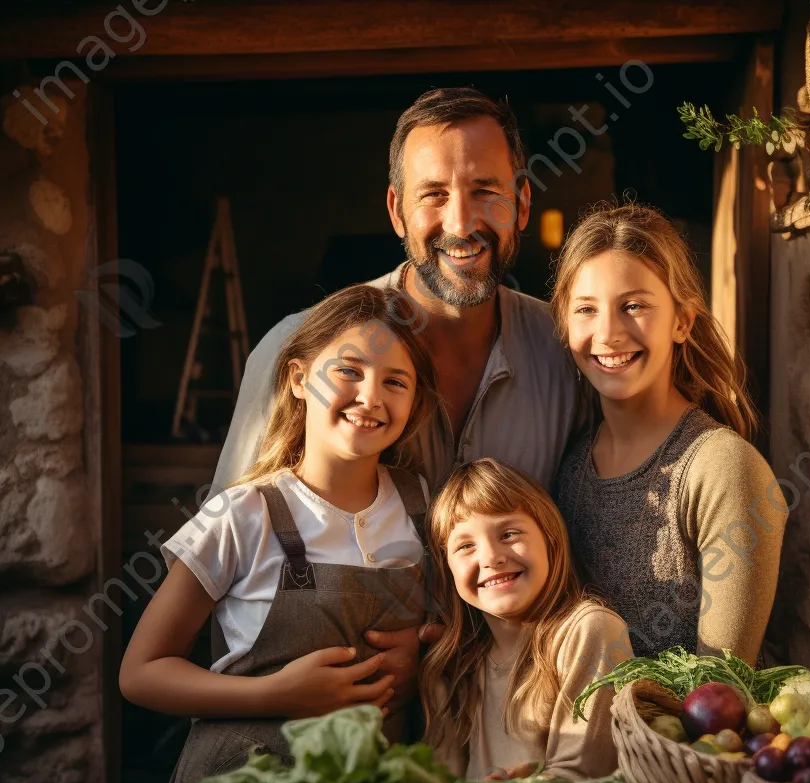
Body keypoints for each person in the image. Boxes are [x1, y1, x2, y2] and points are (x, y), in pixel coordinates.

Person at [211, 86, 578, 718]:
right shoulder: (295, 352)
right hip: (324, 729)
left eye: (486, 190)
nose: (461, 223)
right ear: (396, 211)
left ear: (521, 202)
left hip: (514, 724)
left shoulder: (571, 355)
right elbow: (228, 575)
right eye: (433, 194)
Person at [120, 285, 438, 783]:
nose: (371, 396)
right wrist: (276, 693)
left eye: (395, 382)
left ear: (414, 402)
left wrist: (427, 661)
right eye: (349, 371)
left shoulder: (425, 508)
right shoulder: (243, 514)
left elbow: (461, 630)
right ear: (297, 379)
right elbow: (142, 674)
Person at [551, 202, 786, 665]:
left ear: (682, 321)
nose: (609, 333)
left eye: (633, 306)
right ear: (564, 326)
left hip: (675, 738)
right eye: (586, 310)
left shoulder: (721, 468)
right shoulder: (572, 465)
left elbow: (721, 689)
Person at [420, 458, 632, 781]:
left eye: (508, 533)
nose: (491, 557)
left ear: (549, 538)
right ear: (447, 569)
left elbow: (587, 774)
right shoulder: (453, 668)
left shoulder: (588, 631)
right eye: (465, 546)